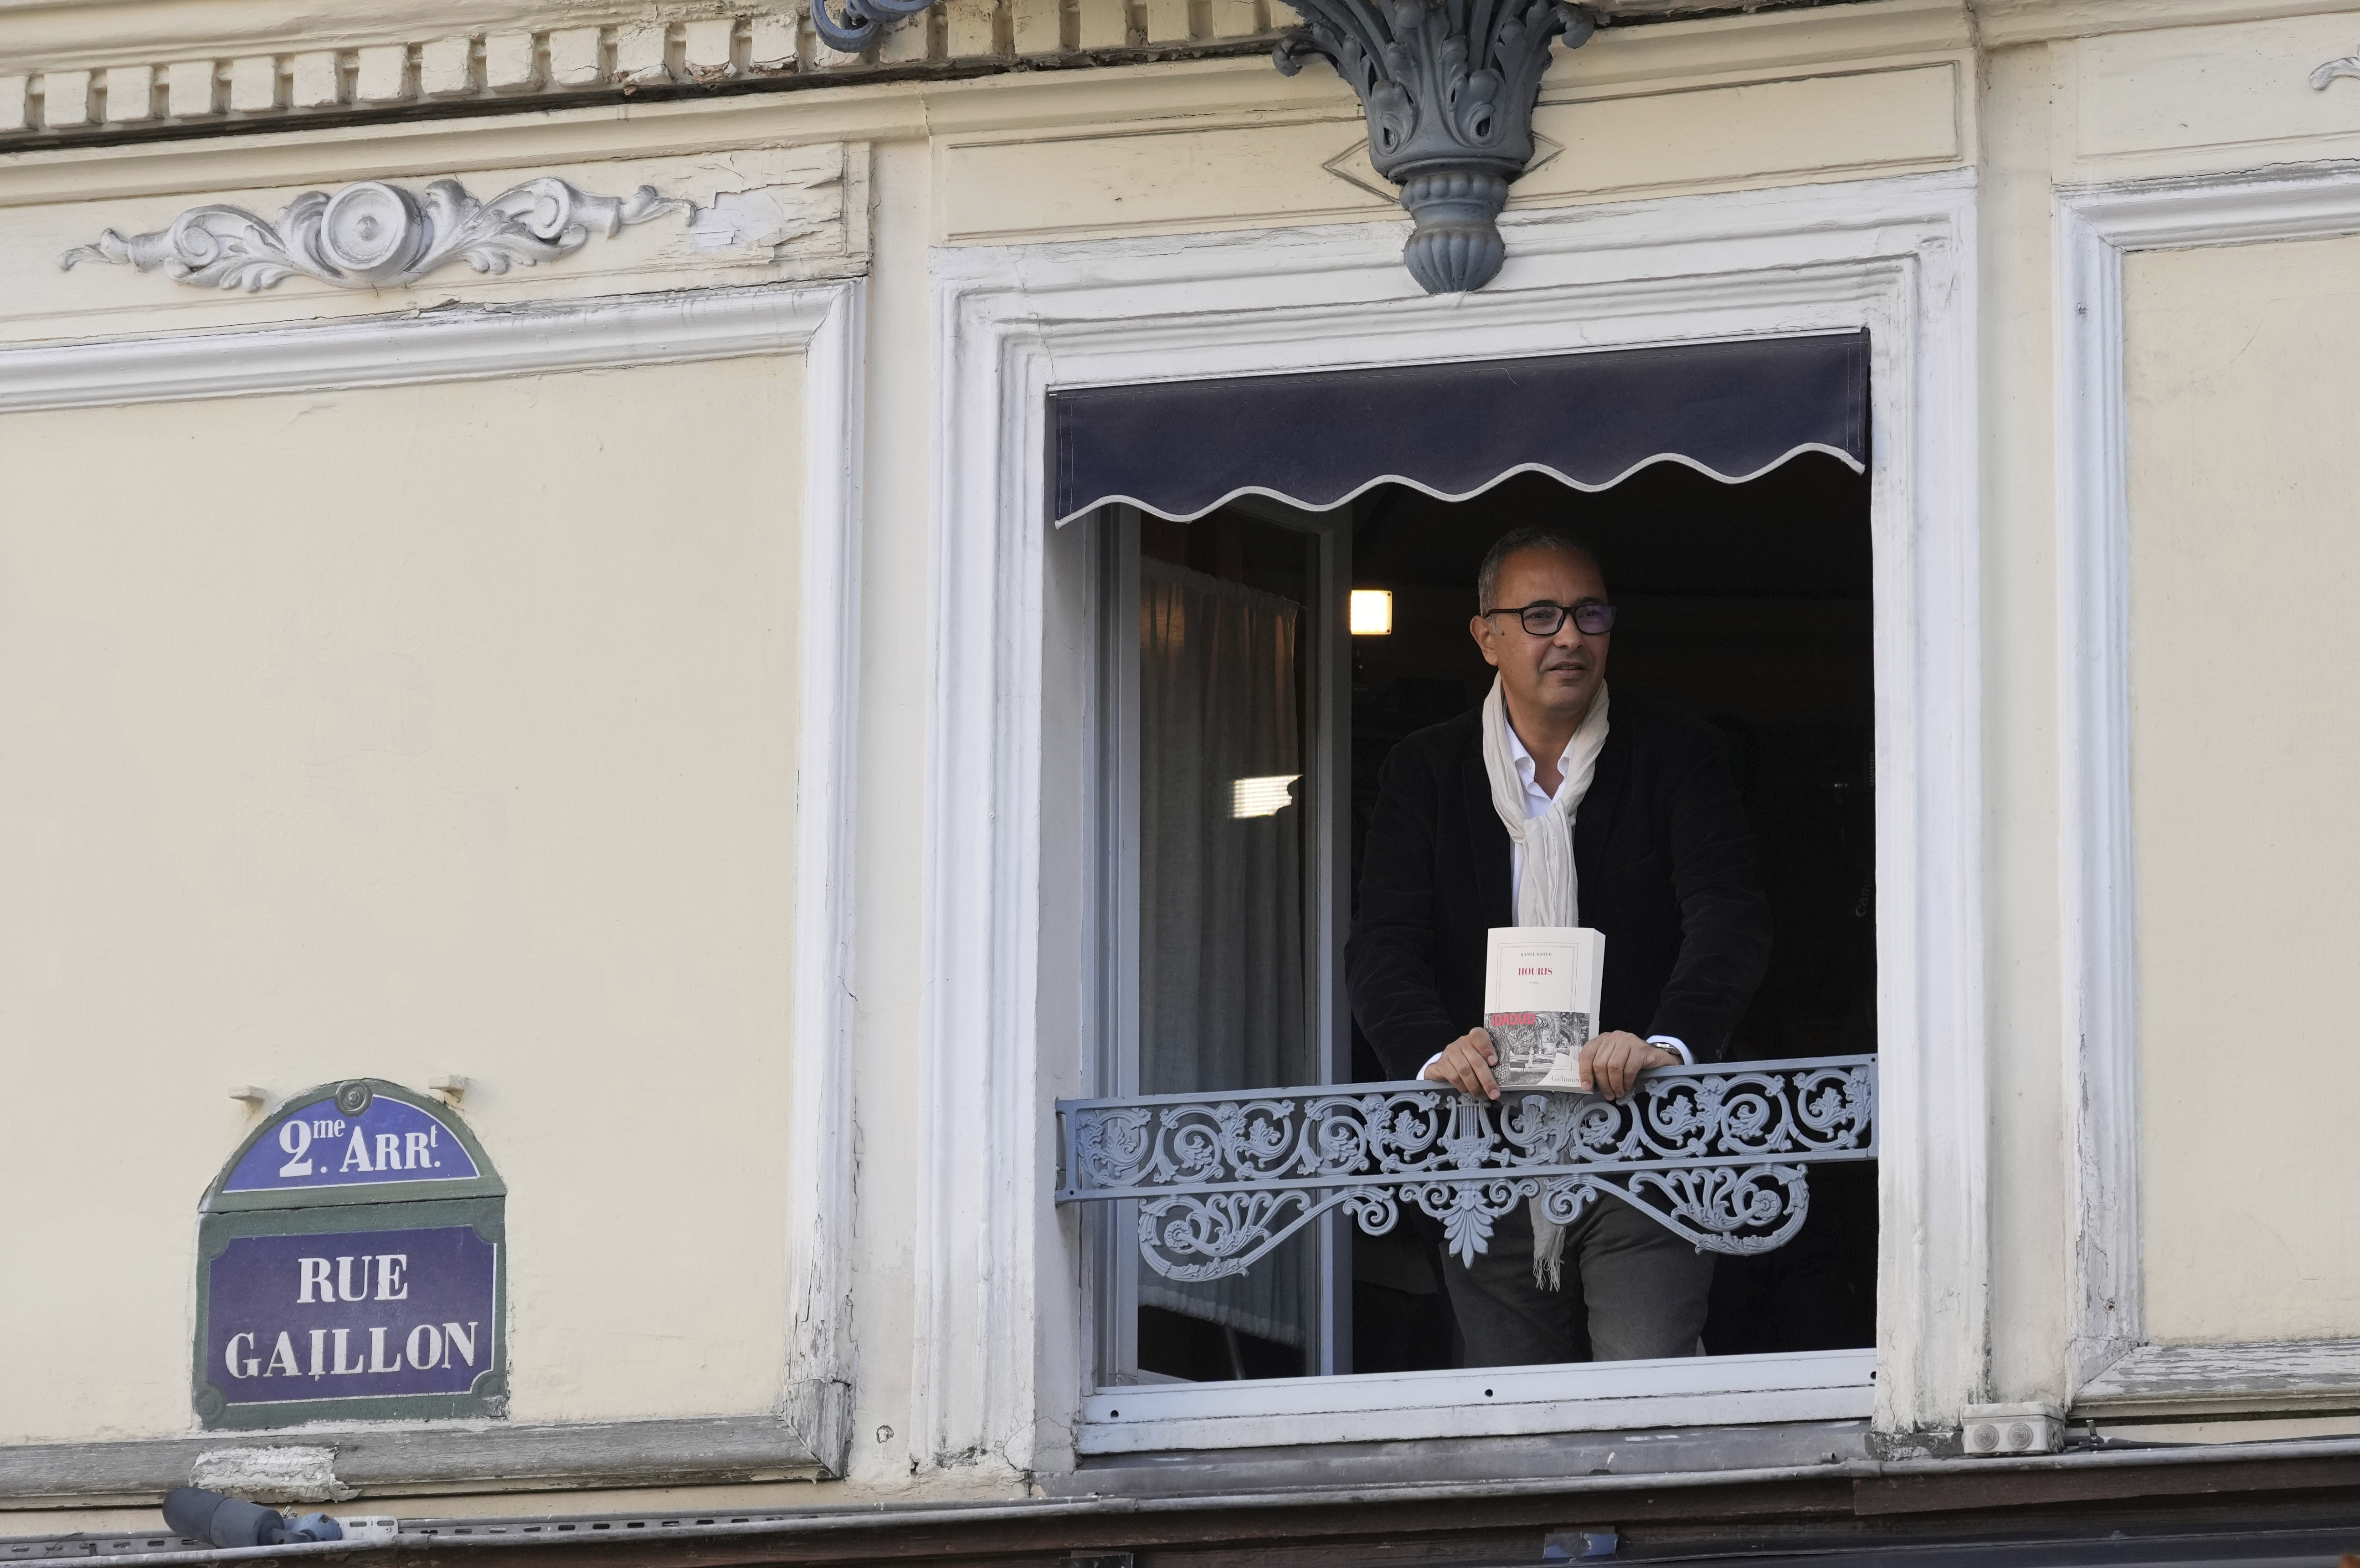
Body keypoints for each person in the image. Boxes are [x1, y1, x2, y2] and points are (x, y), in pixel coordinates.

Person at [1345, 524, 1772, 1366]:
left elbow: (1728, 918)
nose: (1570, 635)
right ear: (1487, 636)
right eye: (1539, 614)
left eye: (1589, 613)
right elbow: (1383, 945)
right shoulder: (1425, 771)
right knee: (1514, 1423)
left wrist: (1664, 1044)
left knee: (1648, 1402)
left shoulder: (1676, 753)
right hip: (1484, 1142)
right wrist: (1437, 1052)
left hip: (1645, 1134)